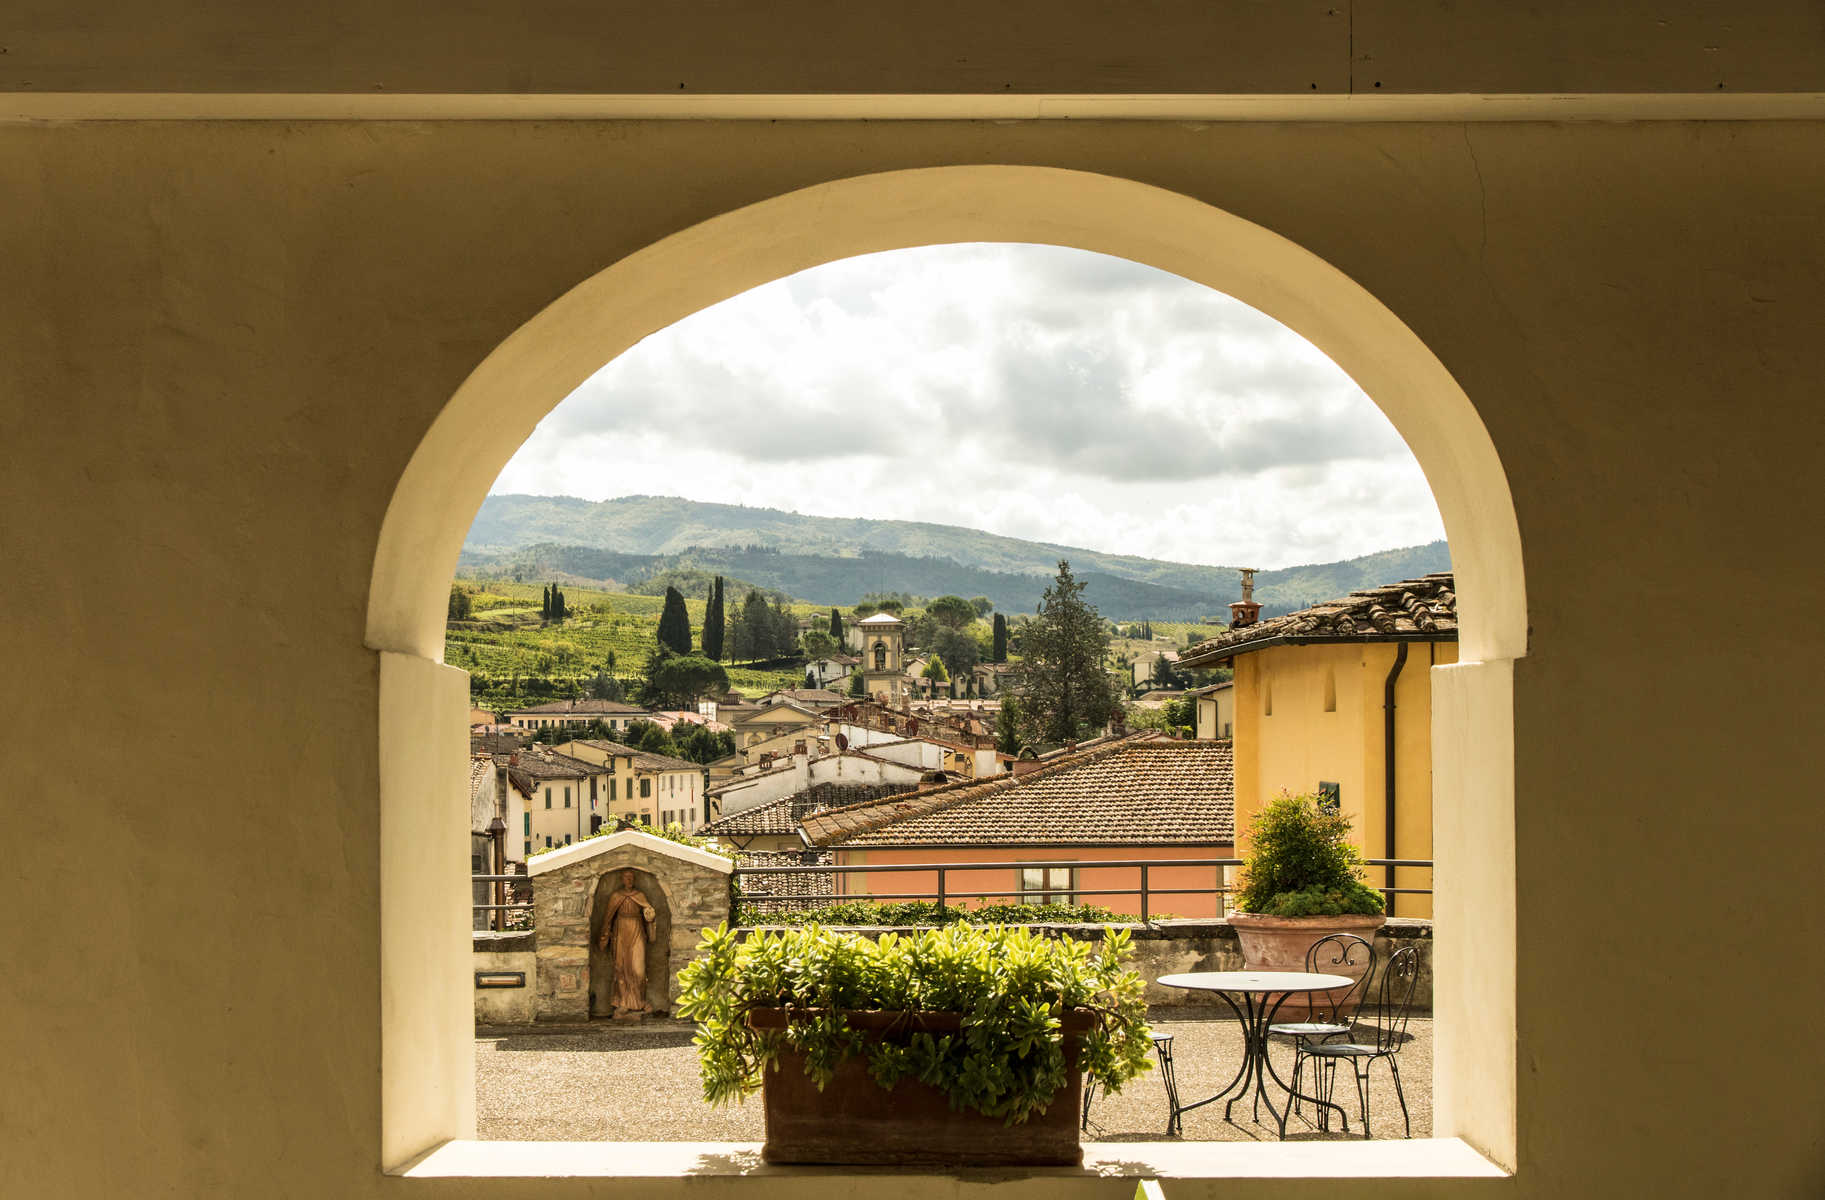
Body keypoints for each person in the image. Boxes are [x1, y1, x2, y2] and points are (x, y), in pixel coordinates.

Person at [597, 868, 657, 1018]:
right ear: (622, 879)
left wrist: (650, 915)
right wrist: (606, 934)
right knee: (621, 968)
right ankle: (623, 1002)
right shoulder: (616, 896)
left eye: (631, 877)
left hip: (637, 930)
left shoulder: (640, 895)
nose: (629, 880)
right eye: (626, 877)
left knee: (639, 969)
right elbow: (608, 917)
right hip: (621, 932)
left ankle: (640, 1001)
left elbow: (648, 914)